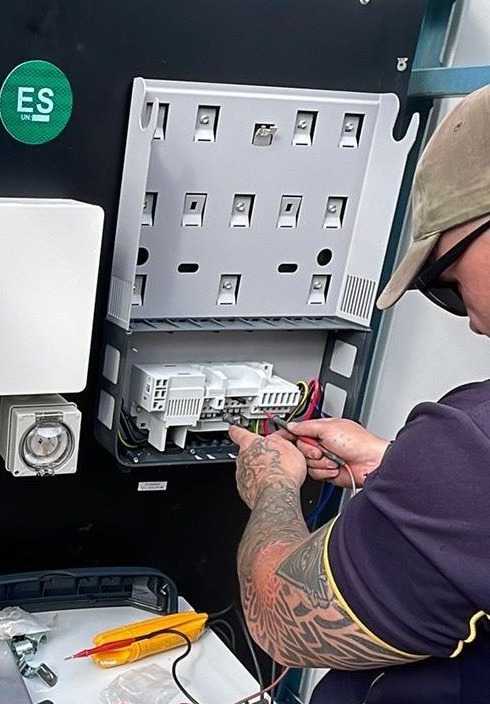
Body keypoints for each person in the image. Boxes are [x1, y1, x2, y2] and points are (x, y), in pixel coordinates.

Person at [229, 84, 490, 703]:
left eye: (445, 281)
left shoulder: (472, 445)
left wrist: (271, 485)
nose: (472, 320)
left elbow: (280, 616)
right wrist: (397, 471)